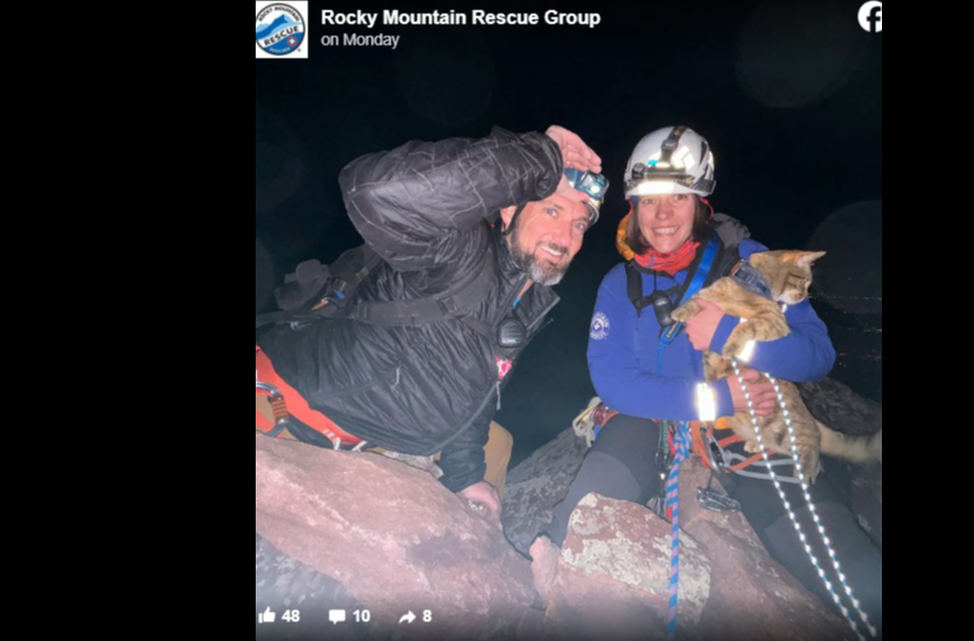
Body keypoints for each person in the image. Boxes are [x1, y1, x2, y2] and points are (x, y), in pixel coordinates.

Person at [531, 126, 881, 632]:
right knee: (592, 496)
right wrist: (714, 396)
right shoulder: (620, 283)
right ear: (633, 209)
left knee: (826, 547)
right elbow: (612, 380)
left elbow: (816, 355)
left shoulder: (754, 264)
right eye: (650, 201)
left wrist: (733, 336)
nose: (664, 214)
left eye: (679, 196)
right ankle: (547, 583)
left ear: (701, 203)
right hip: (661, 414)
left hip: (747, 421)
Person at [256, 125, 605, 521]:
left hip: (374, 437)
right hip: (284, 409)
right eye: (552, 210)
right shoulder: (459, 246)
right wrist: (533, 156)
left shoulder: (523, 300)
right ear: (510, 210)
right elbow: (370, 191)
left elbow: (475, 392)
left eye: (579, 224)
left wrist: (464, 476)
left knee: (497, 445)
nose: (565, 236)